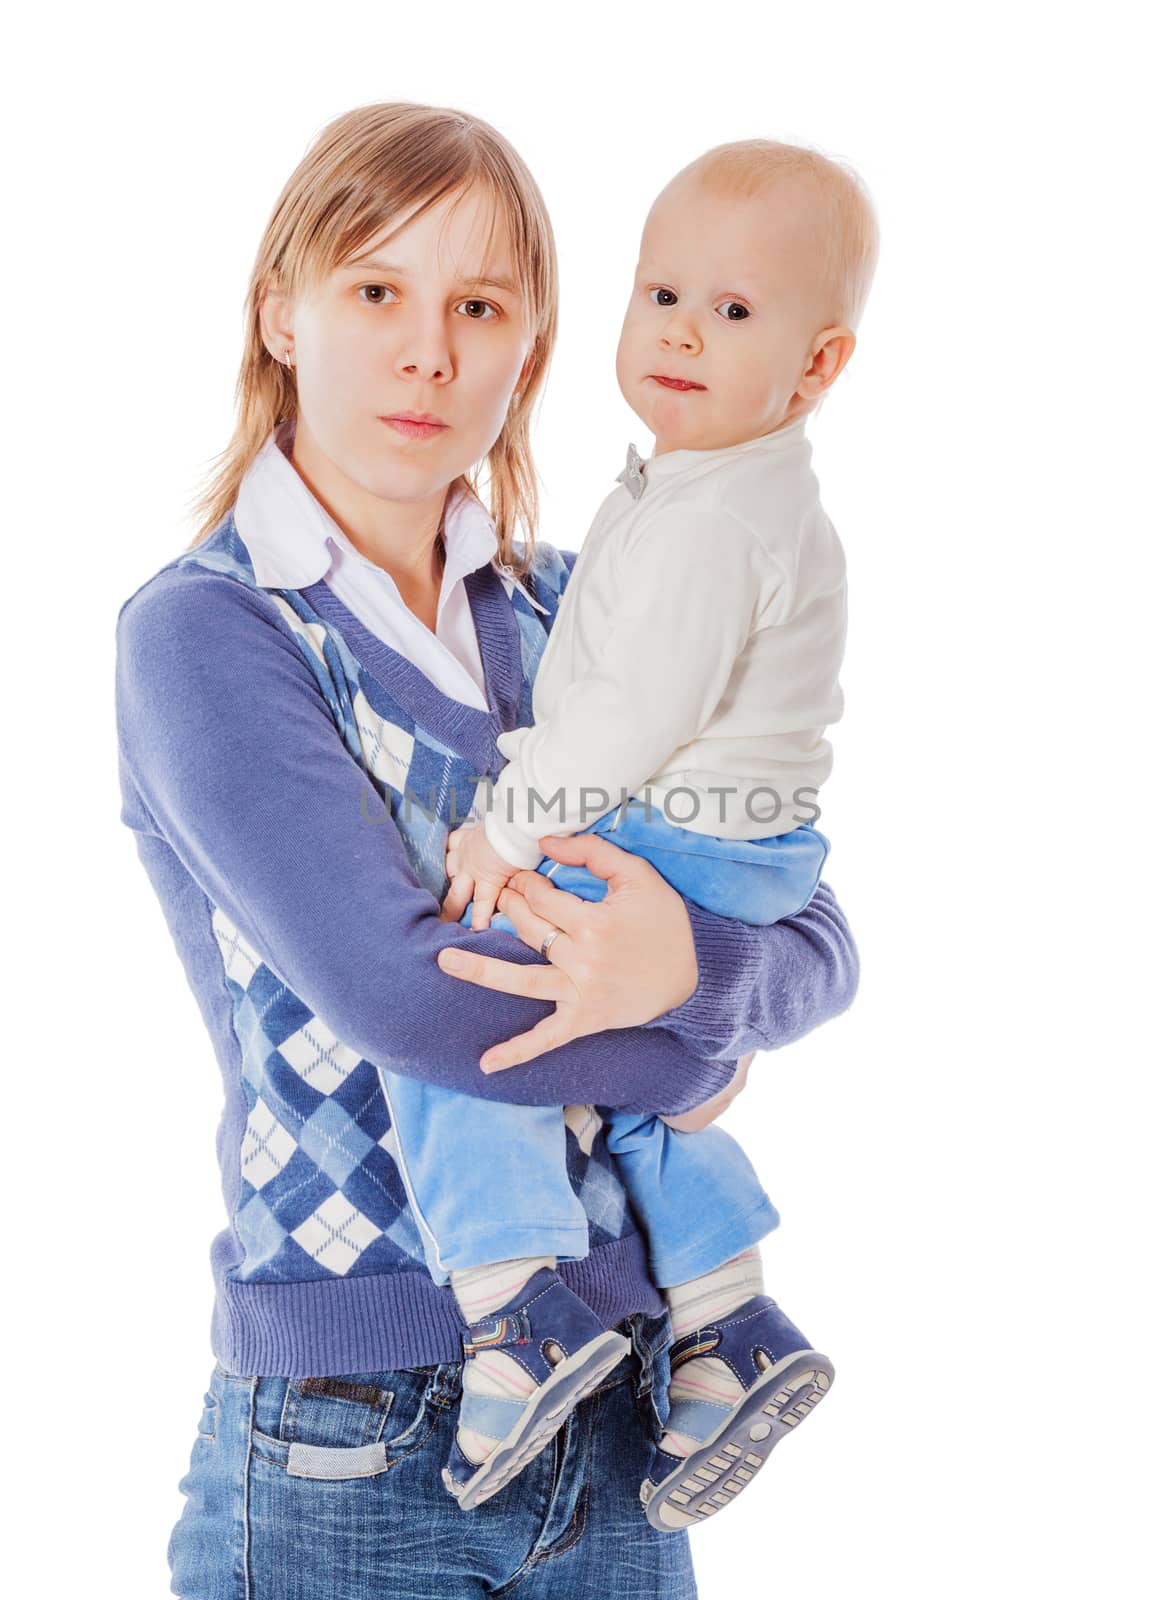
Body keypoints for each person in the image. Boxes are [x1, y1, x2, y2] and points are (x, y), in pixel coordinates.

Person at [114, 102, 859, 1598]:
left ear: (532, 345)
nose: (428, 352)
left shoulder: (578, 609)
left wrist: (699, 964)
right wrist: (701, 1044)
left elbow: (820, 939)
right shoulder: (211, 634)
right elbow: (417, 1004)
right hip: (347, 1432)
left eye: (479, 306)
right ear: (280, 310)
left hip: (619, 1416)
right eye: (375, 290)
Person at [370, 139, 878, 1531]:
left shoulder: (703, 525)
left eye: (731, 312)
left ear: (817, 363)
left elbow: (635, 713)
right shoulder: (694, 495)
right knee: (600, 1063)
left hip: (689, 835)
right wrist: (697, 1012)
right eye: (660, 293)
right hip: (731, 846)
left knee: (474, 993)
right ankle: (723, 1315)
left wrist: (513, 823)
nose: (678, 331)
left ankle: (513, 1300)